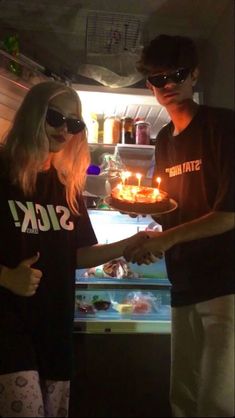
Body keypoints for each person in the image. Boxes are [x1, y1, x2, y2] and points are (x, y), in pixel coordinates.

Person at [0, 81, 147, 418]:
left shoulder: (65, 185)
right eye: (55, 118)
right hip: (8, 327)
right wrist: (6, 276)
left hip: (55, 328)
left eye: (74, 123)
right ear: (33, 114)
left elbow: (77, 254)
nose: (64, 129)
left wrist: (128, 245)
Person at [124, 34, 235, 417]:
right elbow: (171, 209)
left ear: (195, 75)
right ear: (150, 86)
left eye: (178, 74)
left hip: (226, 285)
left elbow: (228, 214)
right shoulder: (165, 141)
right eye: (158, 79)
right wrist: (139, 209)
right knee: (184, 401)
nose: (168, 84)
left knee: (218, 403)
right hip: (183, 282)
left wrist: (166, 239)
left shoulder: (223, 127)